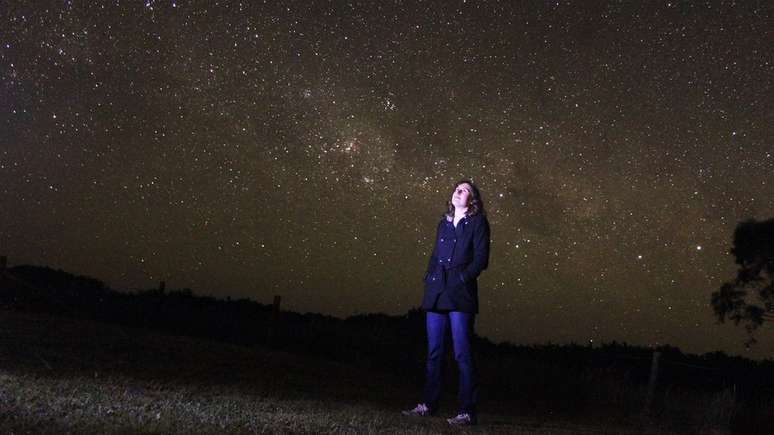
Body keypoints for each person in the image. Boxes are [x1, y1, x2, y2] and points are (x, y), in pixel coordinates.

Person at [402, 179, 491, 426]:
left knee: (462, 353)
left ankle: (466, 411)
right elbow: (434, 255)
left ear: (472, 200)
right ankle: (428, 404)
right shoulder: (443, 224)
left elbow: (481, 259)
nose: (457, 191)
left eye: (464, 190)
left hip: (460, 293)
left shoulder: (478, 223)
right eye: (456, 188)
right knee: (434, 352)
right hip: (436, 291)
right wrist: (428, 277)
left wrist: (462, 278)